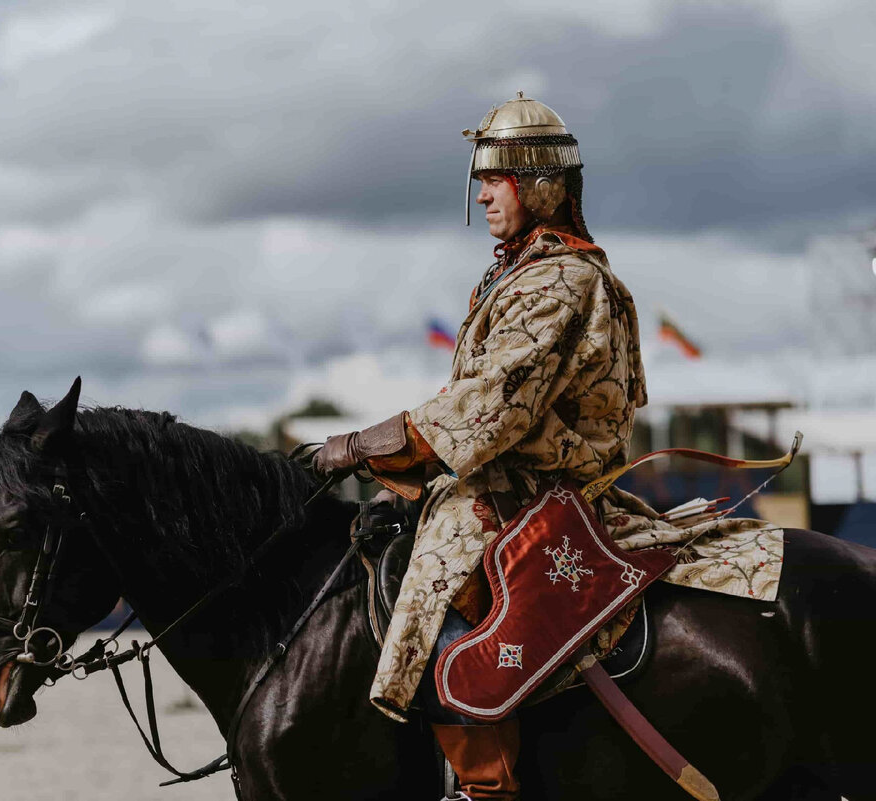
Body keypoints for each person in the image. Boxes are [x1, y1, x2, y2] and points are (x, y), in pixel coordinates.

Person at [313, 93, 783, 799]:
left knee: (437, 597)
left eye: (493, 181)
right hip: (498, 480)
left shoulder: (561, 278)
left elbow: (493, 404)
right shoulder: (517, 271)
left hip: (536, 492)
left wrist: (366, 443)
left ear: (539, 186)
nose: (481, 195)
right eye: (481, 181)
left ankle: (485, 787)